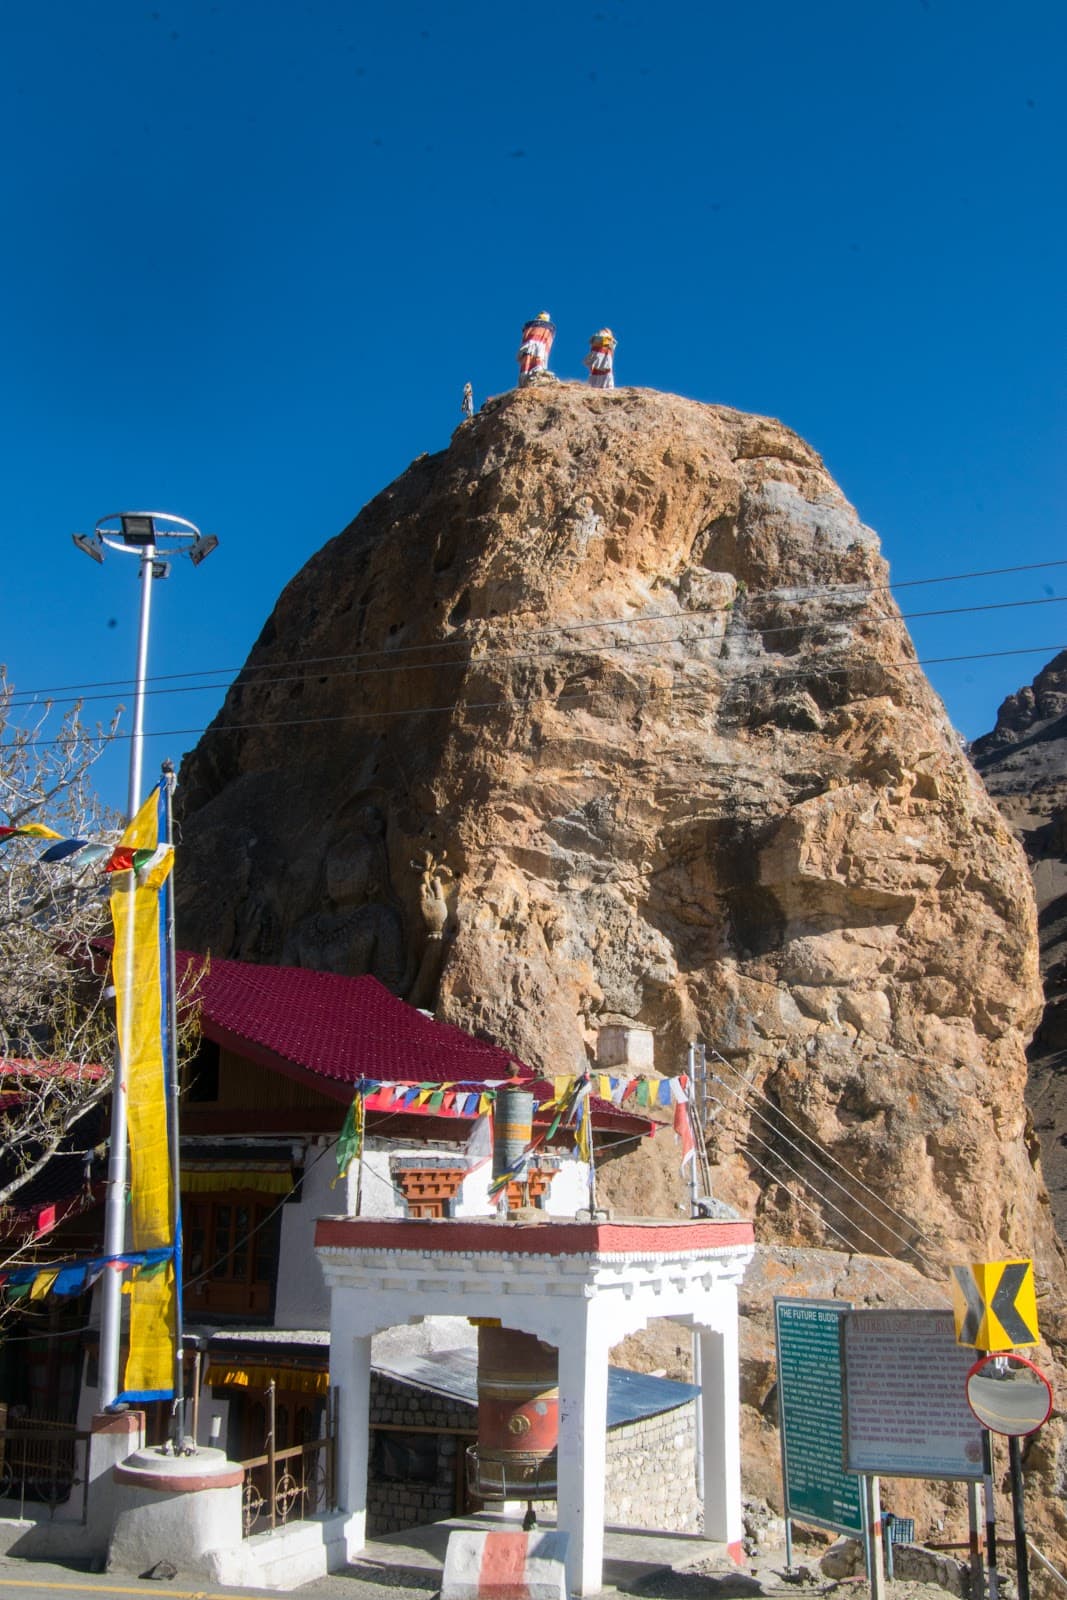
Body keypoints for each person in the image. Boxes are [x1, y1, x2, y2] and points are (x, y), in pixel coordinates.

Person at [516, 312, 556, 386]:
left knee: (538, 359)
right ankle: (528, 377)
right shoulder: (532, 329)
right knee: (530, 360)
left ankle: (535, 373)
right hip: (531, 347)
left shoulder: (542, 330)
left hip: (538, 348)